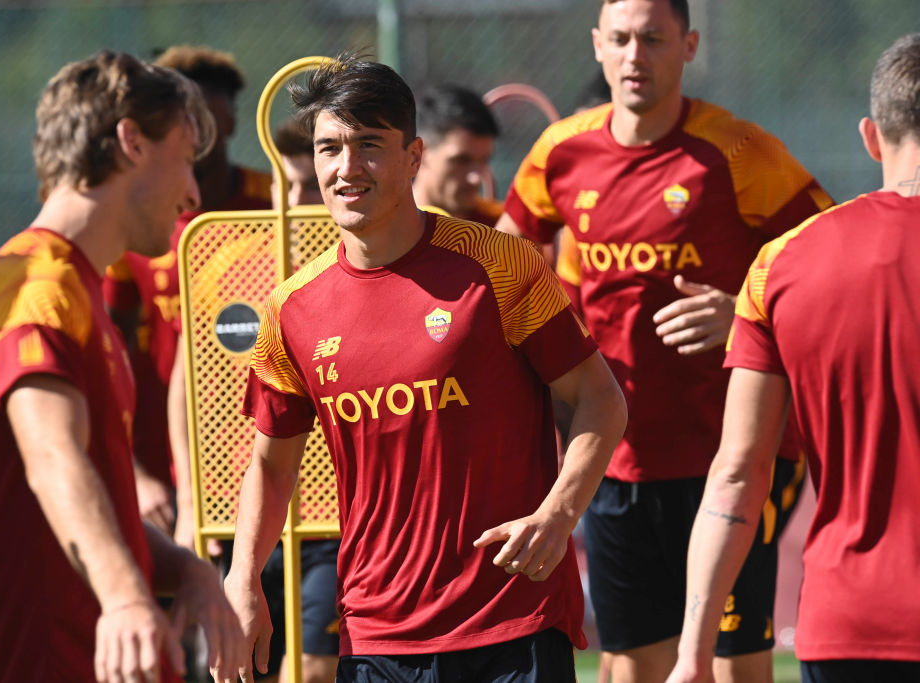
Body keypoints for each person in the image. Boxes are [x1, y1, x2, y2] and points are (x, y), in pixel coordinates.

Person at [223, 54, 628, 683]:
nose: (346, 168)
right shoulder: (292, 308)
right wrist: (243, 578)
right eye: (329, 148)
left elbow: (601, 400)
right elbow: (271, 468)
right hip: (376, 634)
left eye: (369, 145)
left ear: (414, 157)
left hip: (509, 620)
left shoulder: (501, 265)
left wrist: (557, 516)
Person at [495, 1, 833, 681]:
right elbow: (505, 266)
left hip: (731, 459)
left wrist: (742, 311)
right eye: (619, 39)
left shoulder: (738, 150)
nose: (634, 55)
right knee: (630, 664)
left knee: (735, 664)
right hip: (615, 456)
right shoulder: (559, 151)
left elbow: (831, 261)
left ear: (689, 45)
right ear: (597, 46)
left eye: (653, 39)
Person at [0, 50, 241, 682]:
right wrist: (125, 597)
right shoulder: (34, 282)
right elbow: (51, 457)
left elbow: (102, 500)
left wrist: (186, 568)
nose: (193, 192)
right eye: (185, 160)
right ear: (130, 141)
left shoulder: (77, 286)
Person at [667, 33, 920, 683]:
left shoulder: (784, 262)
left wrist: (695, 650)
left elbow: (737, 472)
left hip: (849, 628)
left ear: (871, 136)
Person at [101, 45, 273, 550]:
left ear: (232, 122)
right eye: (186, 131)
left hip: (265, 449)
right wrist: (133, 470)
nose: (199, 145)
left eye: (210, 126)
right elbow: (111, 352)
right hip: (166, 463)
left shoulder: (276, 203)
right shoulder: (136, 224)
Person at [257, 118, 340, 683]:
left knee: (311, 669)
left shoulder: (364, 265)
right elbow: (191, 376)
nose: (295, 202)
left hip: (339, 517)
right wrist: (193, 495)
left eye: (308, 185)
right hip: (261, 511)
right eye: (284, 185)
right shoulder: (229, 259)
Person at [412, 83, 503, 224]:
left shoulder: (502, 229)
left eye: (484, 161)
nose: (476, 178)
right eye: (462, 160)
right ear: (419, 154)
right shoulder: (380, 228)